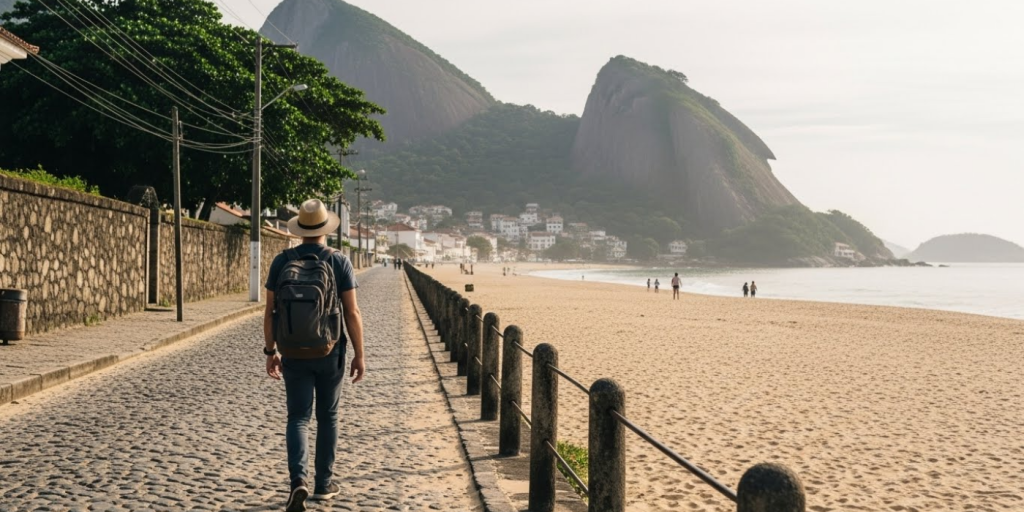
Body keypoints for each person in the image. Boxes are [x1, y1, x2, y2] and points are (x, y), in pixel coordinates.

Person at [263, 199, 366, 512]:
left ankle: (298, 481)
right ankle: (323, 484)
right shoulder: (339, 261)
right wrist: (359, 354)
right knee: (328, 416)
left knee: (298, 417)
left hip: (293, 351)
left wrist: (271, 351)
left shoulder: (282, 261)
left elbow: (269, 313)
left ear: (300, 229)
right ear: (325, 229)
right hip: (329, 350)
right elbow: (352, 312)